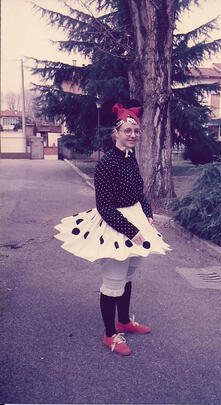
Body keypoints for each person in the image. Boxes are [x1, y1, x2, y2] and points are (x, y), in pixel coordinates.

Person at [55, 102, 170, 356]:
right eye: (127, 131)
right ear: (115, 133)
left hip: (135, 220)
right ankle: (110, 334)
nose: (132, 135)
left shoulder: (131, 159)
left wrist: (148, 214)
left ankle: (124, 321)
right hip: (114, 224)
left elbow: (139, 192)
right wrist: (131, 231)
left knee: (128, 274)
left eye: (135, 131)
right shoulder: (106, 164)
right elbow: (104, 207)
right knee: (113, 280)